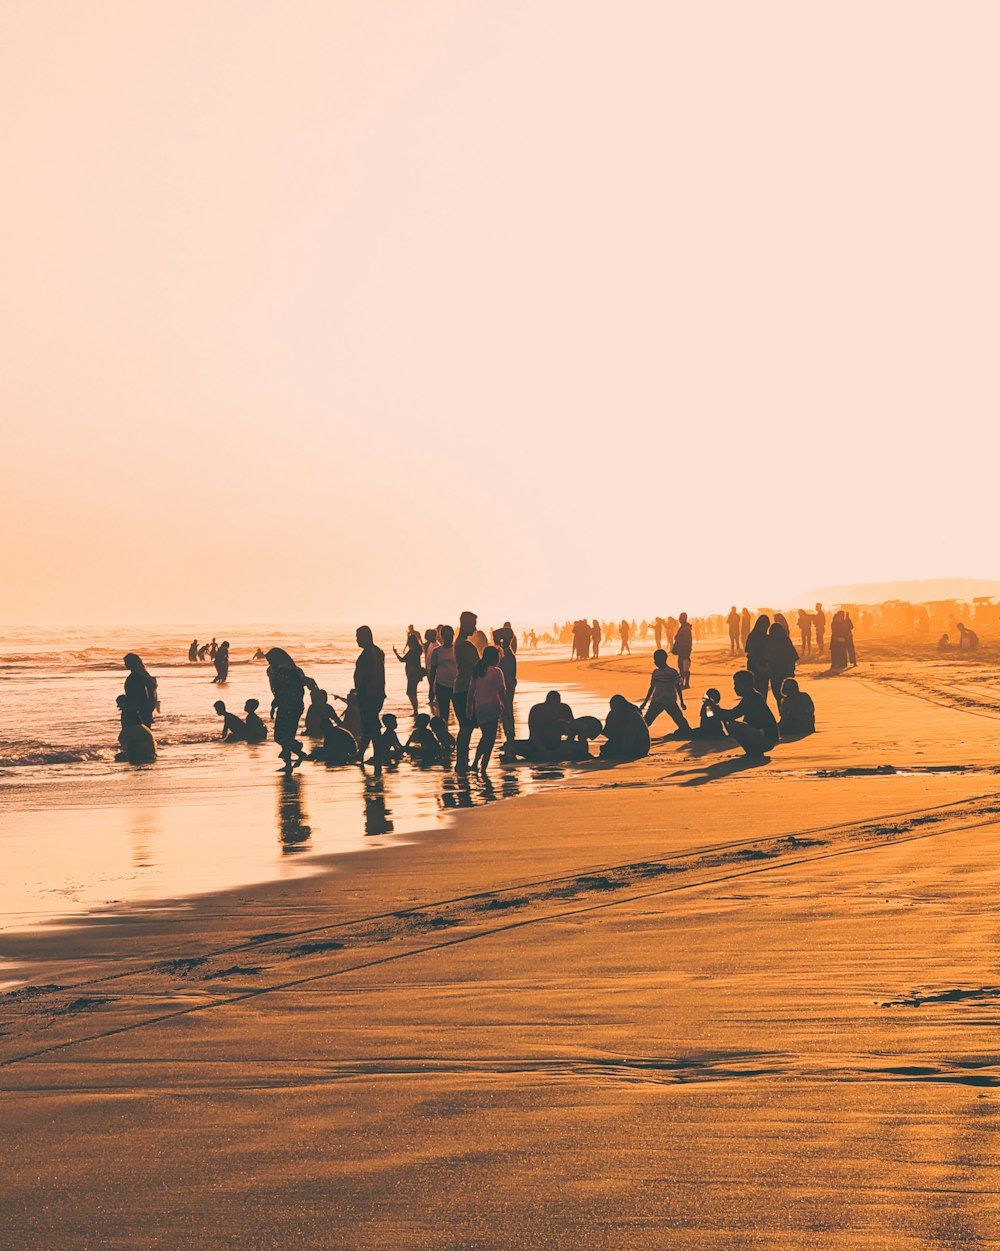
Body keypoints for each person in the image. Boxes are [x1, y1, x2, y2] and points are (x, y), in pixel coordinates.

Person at [265, 647, 316, 769]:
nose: (270, 664)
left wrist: (274, 706)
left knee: (280, 736)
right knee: (287, 735)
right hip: (295, 706)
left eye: (271, 661)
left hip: (287, 706)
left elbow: (281, 692)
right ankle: (291, 760)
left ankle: (297, 751)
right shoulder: (294, 671)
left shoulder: (283, 673)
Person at [714, 670, 779, 758]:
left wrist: (717, 710)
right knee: (734, 725)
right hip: (767, 738)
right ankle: (753, 751)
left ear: (745, 684)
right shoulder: (753, 696)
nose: (734, 688)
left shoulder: (751, 698)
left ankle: (753, 752)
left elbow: (733, 714)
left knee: (734, 726)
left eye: (736, 684)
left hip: (767, 739)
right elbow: (733, 713)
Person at [468, 645, 507, 773]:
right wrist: (506, 708)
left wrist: (469, 707)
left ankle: (475, 763)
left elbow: (471, 692)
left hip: (479, 709)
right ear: (493, 658)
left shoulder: (478, 671)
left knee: (485, 737)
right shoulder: (497, 672)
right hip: (492, 708)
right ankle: (483, 767)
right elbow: (502, 692)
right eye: (498, 657)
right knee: (490, 740)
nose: (499, 660)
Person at [354, 626, 387, 772]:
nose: (356, 640)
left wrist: (361, 693)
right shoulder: (377, 652)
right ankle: (361, 755)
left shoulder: (368, 654)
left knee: (372, 726)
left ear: (365, 636)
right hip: (376, 693)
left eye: (358, 636)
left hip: (369, 695)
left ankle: (377, 756)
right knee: (369, 725)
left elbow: (367, 676)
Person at [452, 611, 481, 770]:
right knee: (466, 726)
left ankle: (462, 761)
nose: (475, 628)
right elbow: (477, 665)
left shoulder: (460, 643)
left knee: (466, 727)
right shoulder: (465, 645)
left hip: (462, 688)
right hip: (465, 689)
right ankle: (461, 762)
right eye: (474, 624)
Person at [639, 650, 690, 734]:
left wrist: (682, 702)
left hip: (668, 701)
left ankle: (686, 731)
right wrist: (645, 702)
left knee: (680, 720)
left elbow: (678, 687)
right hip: (659, 701)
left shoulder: (672, 672)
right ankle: (637, 732)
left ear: (662, 660)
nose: (654, 662)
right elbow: (652, 688)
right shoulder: (656, 673)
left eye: (656, 660)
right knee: (647, 721)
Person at [516, 691, 574, 761]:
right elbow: (533, 735)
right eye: (552, 706)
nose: (554, 709)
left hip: (557, 745)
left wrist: (565, 747)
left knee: (582, 745)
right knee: (510, 746)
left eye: (556, 706)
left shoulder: (564, 709)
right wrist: (545, 752)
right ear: (546, 703)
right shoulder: (536, 710)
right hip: (536, 746)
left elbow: (573, 730)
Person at [601, 695, 650, 761]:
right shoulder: (613, 714)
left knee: (611, 750)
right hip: (624, 741)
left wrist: (624, 754)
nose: (612, 709)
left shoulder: (634, 716)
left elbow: (630, 736)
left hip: (639, 746)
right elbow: (609, 732)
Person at [429, 624, 458, 724]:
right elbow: (433, 670)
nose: (449, 637)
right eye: (446, 635)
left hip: (457, 686)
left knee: (459, 713)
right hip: (441, 685)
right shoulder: (437, 651)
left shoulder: (457, 649)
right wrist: (430, 689)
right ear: (442, 636)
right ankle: (444, 735)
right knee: (444, 714)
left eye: (450, 635)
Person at [766, 620, 799, 707]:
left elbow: (792, 657)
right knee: (780, 696)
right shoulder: (774, 642)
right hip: (776, 673)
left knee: (784, 696)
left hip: (782, 673)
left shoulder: (781, 642)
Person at [115, 696, 156, 764]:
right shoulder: (142, 727)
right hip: (150, 754)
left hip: (144, 756)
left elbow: (130, 747)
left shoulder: (134, 730)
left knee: (119, 757)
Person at [496, 635, 518, 759]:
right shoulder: (509, 652)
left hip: (507, 686)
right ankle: (509, 738)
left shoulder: (507, 654)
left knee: (507, 712)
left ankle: (510, 739)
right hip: (509, 685)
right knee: (506, 712)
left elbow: (505, 672)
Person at [393, 630, 424, 716]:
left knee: (411, 693)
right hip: (416, 674)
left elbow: (402, 660)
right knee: (412, 692)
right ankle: (415, 710)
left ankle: (415, 710)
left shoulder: (412, 652)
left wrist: (395, 653)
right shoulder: (417, 650)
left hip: (412, 674)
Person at [123, 653, 158, 727]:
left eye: (126, 662)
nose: (125, 664)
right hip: (144, 708)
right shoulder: (142, 674)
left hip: (139, 708)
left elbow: (142, 694)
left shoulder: (135, 676)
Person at [743, 617, 771, 701]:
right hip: (754, 667)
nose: (765, 628)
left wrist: (766, 666)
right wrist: (758, 666)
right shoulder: (753, 636)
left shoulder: (767, 637)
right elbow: (750, 653)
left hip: (765, 668)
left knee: (763, 692)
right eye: (763, 625)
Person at [672, 612, 693, 689]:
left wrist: (686, 650)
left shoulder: (685, 629)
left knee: (684, 668)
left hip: (684, 651)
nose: (679, 619)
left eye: (680, 618)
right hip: (682, 651)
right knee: (682, 667)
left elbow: (687, 641)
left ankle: (686, 684)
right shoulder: (684, 628)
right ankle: (683, 683)